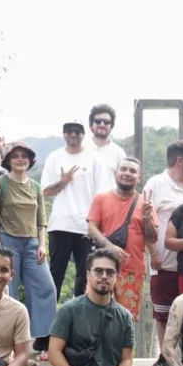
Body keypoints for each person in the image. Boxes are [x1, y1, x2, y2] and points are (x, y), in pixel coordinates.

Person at [0, 140, 56, 351]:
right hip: (8, 241)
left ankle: (41, 340)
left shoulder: (35, 186)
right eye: (16, 156)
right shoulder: (0, 183)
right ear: (8, 160)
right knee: (9, 291)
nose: (20, 160)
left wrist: (42, 245)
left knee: (46, 288)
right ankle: (9, 343)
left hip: (32, 243)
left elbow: (41, 219)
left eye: (24, 156)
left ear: (30, 161)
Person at [144, 141, 183, 366]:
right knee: (163, 313)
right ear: (180, 161)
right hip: (163, 260)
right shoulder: (156, 184)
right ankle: (164, 356)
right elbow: (143, 221)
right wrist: (153, 253)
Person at [88, 157, 157, 320]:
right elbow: (91, 229)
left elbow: (152, 238)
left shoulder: (145, 203)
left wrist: (147, 218)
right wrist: (109, 246)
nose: (127, 173)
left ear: (139, 177)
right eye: (124, 169)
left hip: (133, 270)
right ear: (115, 173)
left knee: (125, 320)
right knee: (93, 316)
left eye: (132, 171)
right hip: (101, 268)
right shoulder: (101, 198)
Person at [41, 120, 101, 299]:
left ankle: (81, 318)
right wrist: (63, 181)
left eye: (77, 131)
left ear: (84, 134)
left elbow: (100, 195)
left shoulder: (93, 158)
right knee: (55, 273)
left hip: (85, 226)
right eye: (69, 131)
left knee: (85, 275)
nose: (73, 134)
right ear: (64, 134)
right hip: (60, 224)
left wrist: (97, 225)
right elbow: (44, 191)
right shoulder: (54, 157)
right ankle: (49, 320)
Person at [84, 104, 123, 194]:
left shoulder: (119, 153)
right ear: (91, 125)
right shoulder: (80, 149)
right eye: (98, 121)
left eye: (106, 122)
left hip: (110, 206)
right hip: (84, 206)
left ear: (111, 126)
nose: (102, 124)